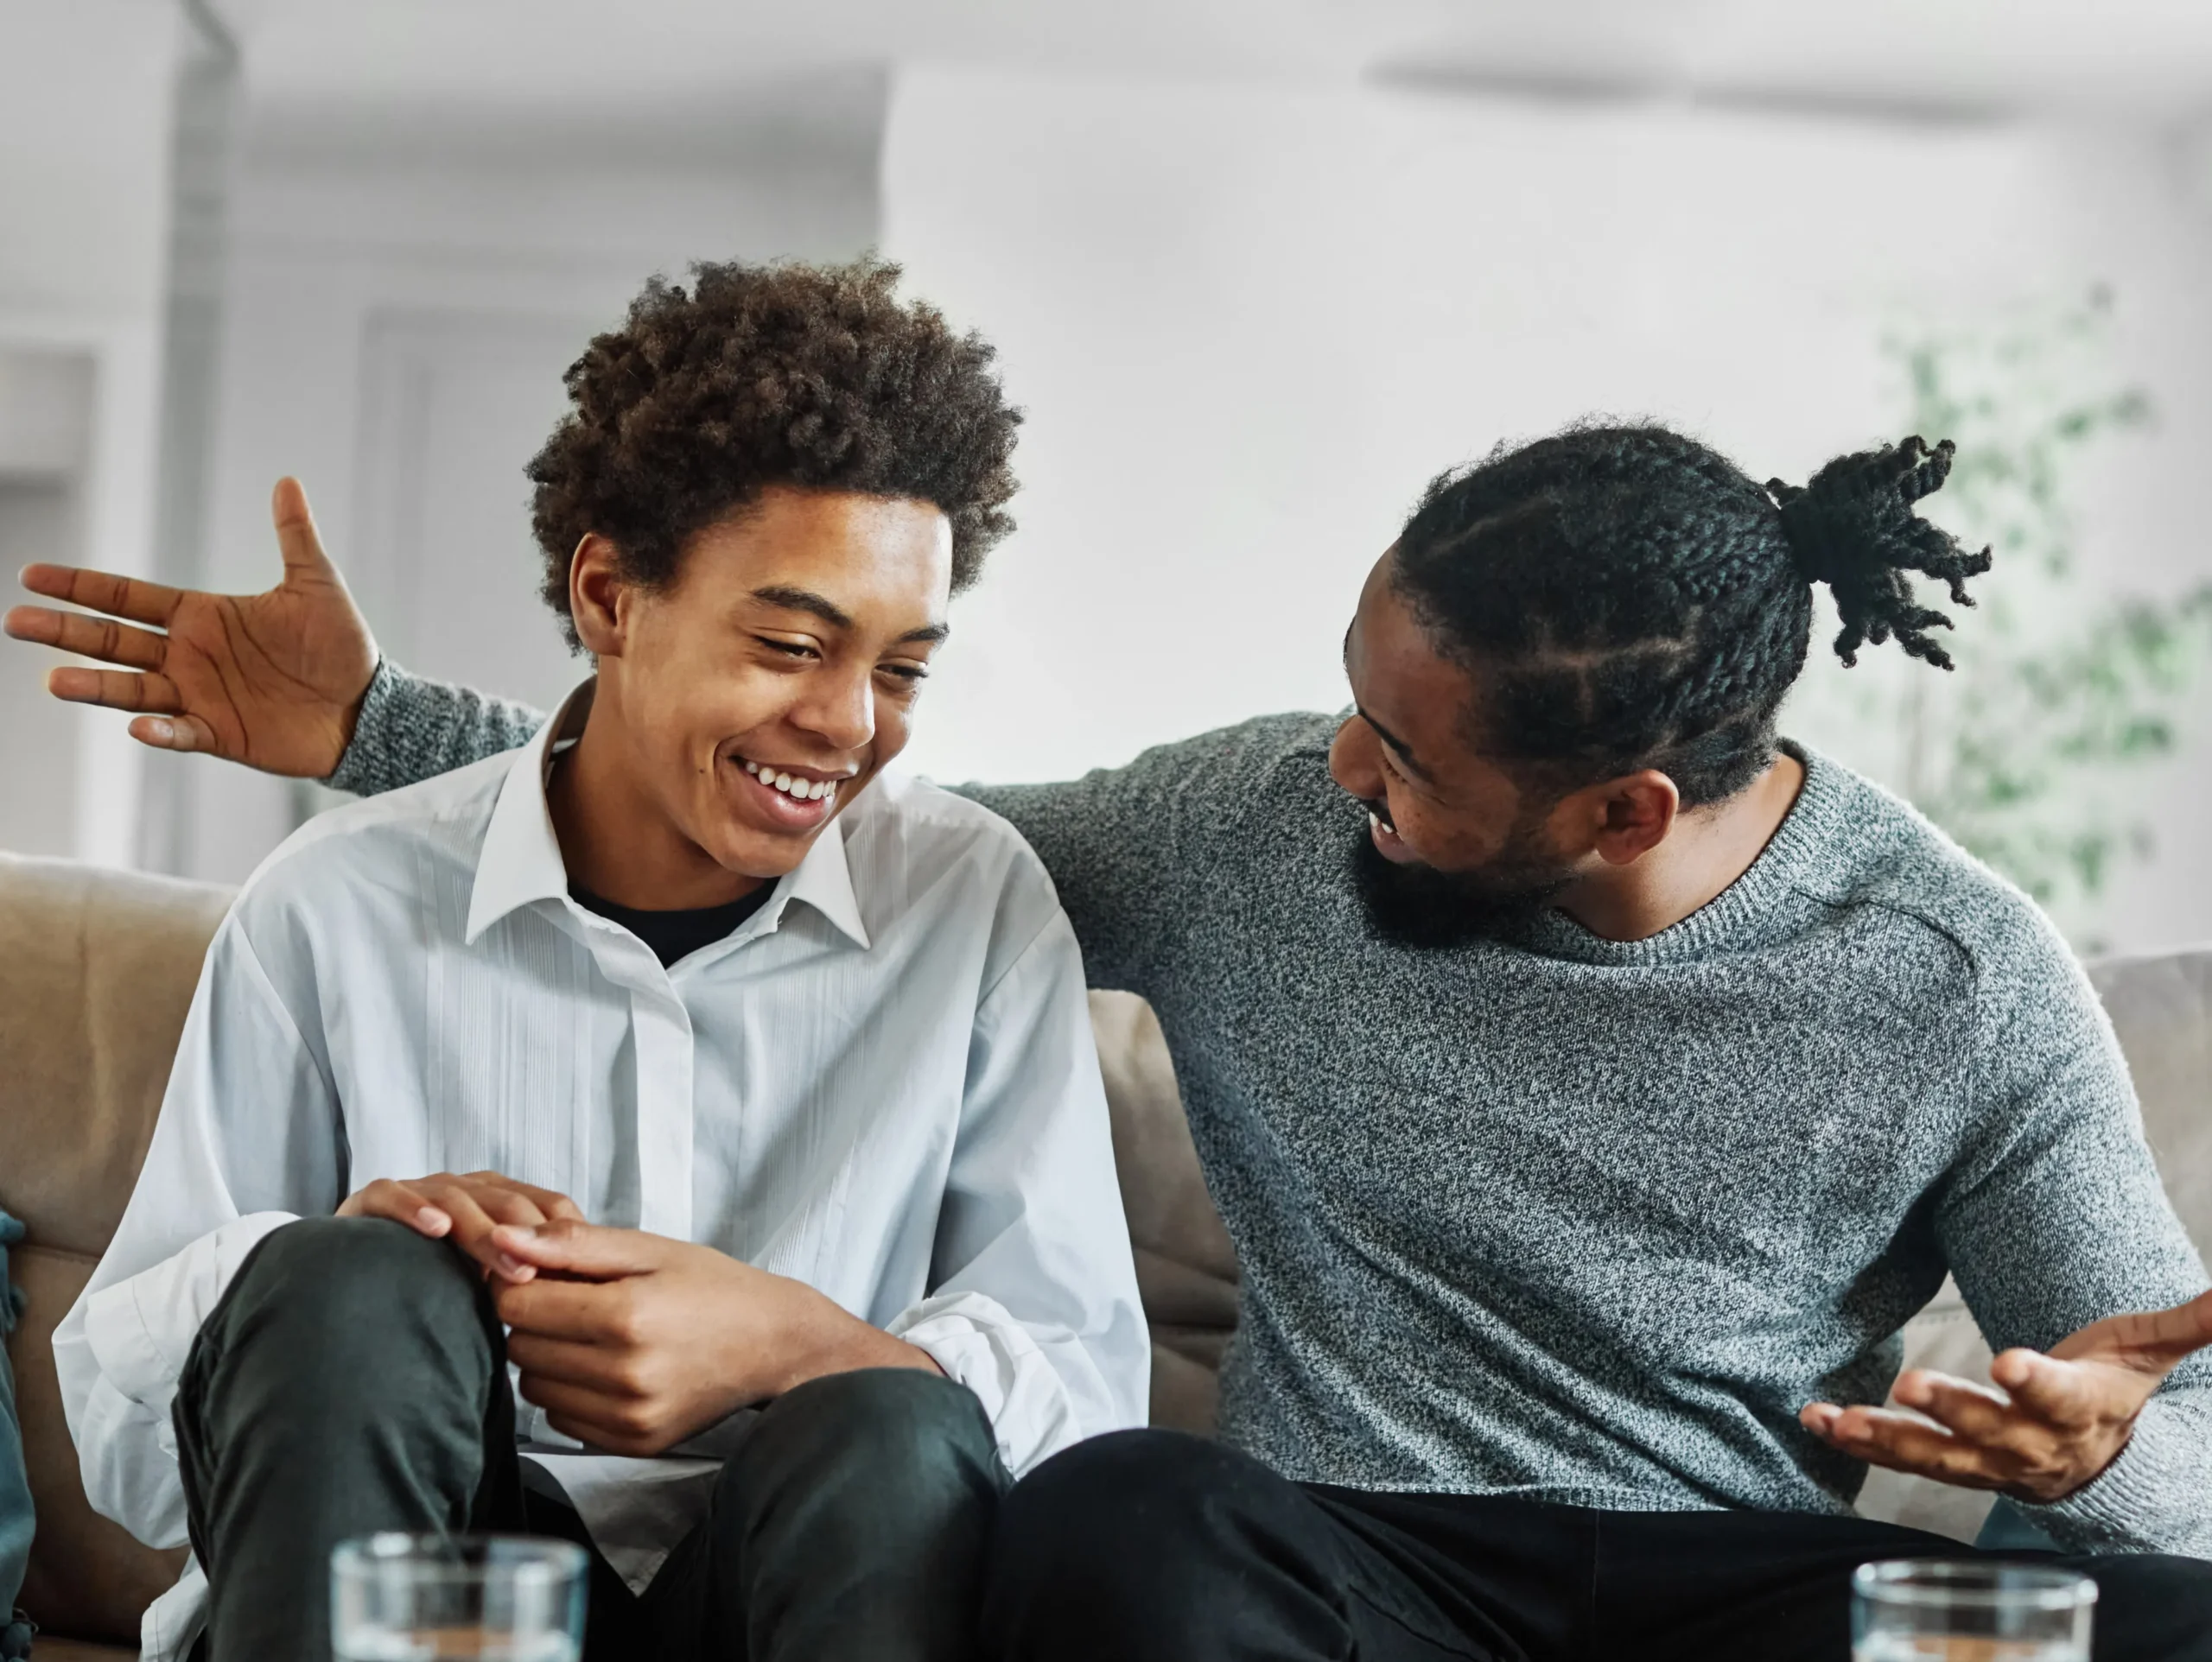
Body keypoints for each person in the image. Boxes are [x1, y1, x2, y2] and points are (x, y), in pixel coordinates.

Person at [14, 423, 2212, 1659]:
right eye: (1351, 687)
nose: (1331, 766)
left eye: (1402, 759)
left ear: (1617, 809)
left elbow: (2150, 1404)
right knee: (1126, 1523)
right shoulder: (1256, 822)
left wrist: (2102, 1449)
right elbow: (835, 804)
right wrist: (380, 733)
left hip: (1727, 1581)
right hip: (1333, 1562)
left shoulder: (1959, 974)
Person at [33, 257, 1149, 1662]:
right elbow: (129, 1462)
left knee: (887, 1420)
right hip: (418, 1603)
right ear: (613, 596)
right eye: (792, 643)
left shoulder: (973, 903)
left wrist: (788, 1340)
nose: (850, 721)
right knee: (346, 1286)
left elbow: (1087, 1409)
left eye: (903, 667)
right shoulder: (339, 900)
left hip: (786, 1592)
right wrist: (344, 1267)